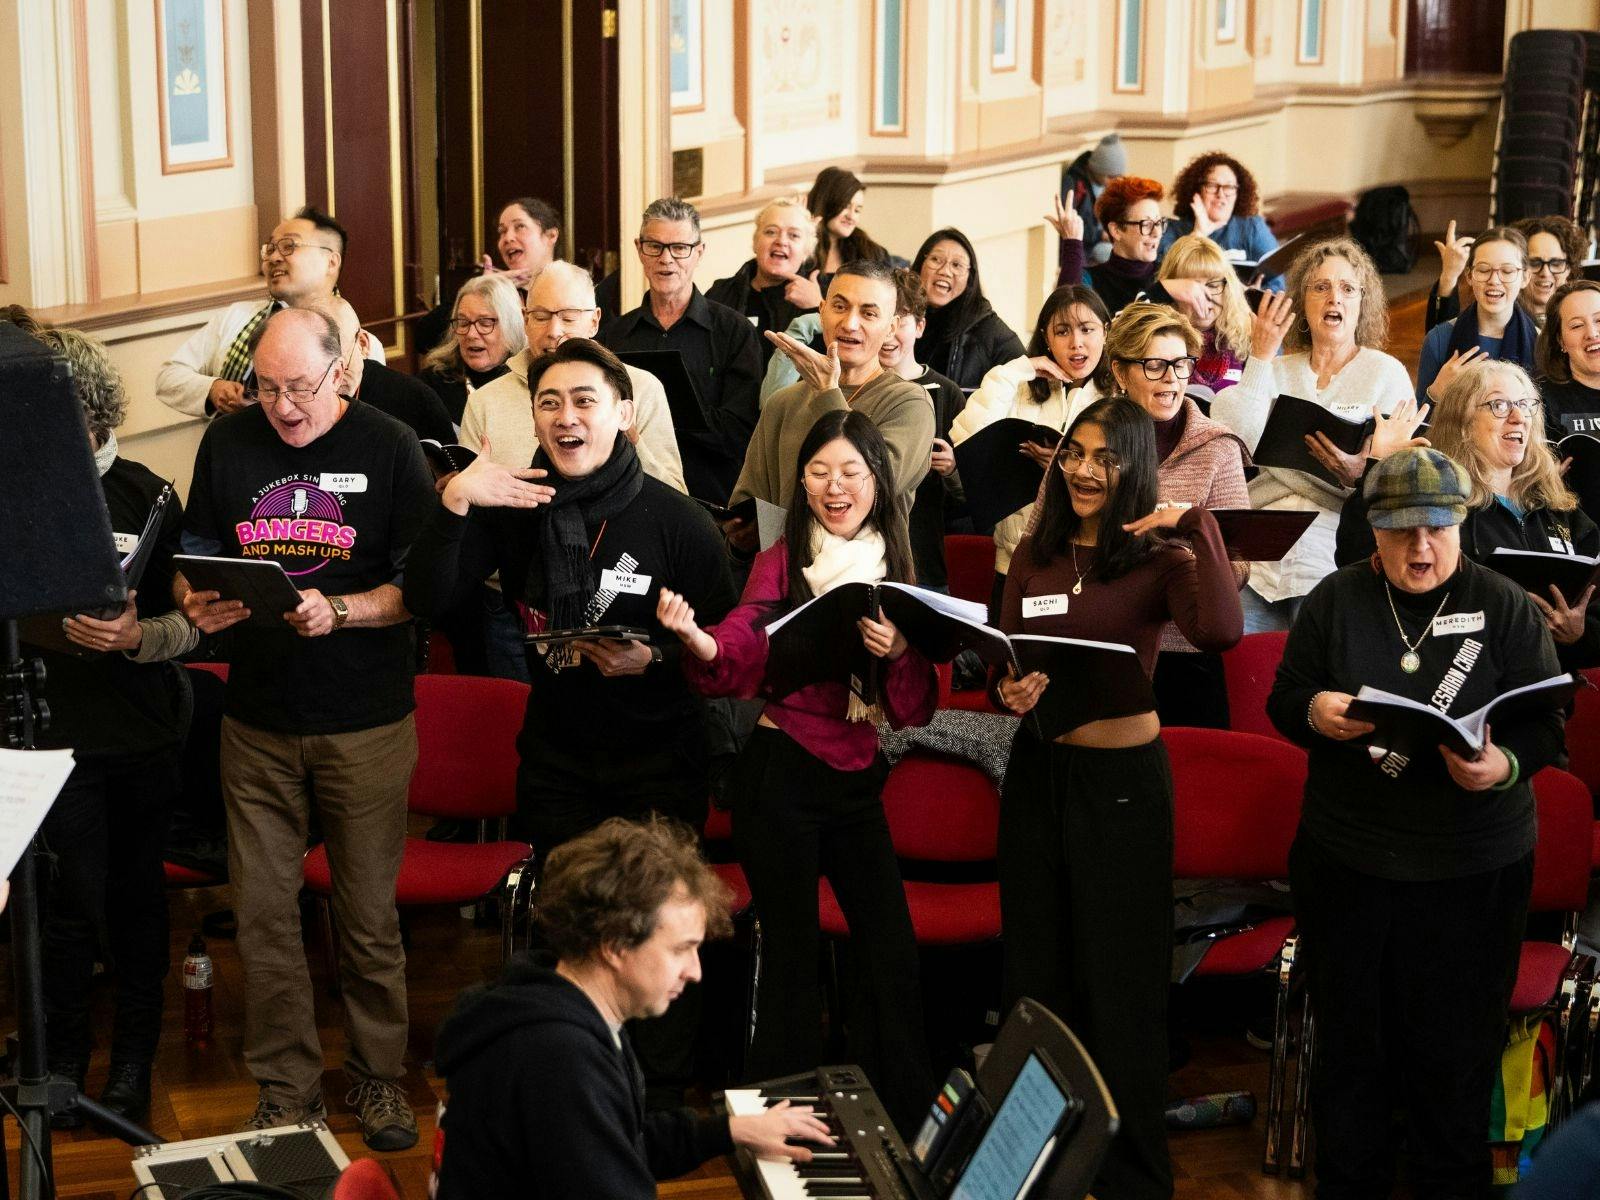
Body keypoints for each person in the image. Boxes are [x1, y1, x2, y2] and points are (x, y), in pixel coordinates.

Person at [1267, 446, 1566, 1200]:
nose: (1421, 548)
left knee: (1455, 1056)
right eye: (1402, 533)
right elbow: (1286, 696)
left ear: (1461, 525)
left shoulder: (1500, 603)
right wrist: (1313, 712)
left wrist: (1505, 767)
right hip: (1350, 858)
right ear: (1375, 530)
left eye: (1437, 530)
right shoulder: (1336, 599)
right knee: (1352, 1050)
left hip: (1474, 868)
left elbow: (1545, 725)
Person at [175, 307, 435, 1147]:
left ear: (344, 372)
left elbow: (421, 589)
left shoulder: (391, 446)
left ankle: (378, 1080)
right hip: (255, 718)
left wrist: (345, 611)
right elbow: (197, 546)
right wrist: (195, 596)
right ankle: (286, 1090)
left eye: (302, 388)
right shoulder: (229, 443)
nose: (284, 407)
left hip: (364, 719)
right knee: (261, 916)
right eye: (268, 388)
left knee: (365, 919)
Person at [659, 409, 938, 1135]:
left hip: (857, 779)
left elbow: (912, 708)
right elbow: (749, 630)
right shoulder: (785, 557)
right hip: (780, 773)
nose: (833, 487)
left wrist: (899, 648)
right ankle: (776, 1128)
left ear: (878, 478)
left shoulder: (897, 563)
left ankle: (899, 1120)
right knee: (790, 958)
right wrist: (704, 642)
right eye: (818, 472)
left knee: (891, 951)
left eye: (849, 471)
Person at [994, 396, 1242, 1200]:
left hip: (1123, 790)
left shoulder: (1158, 557)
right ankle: (1034, 1164)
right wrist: (1011, 687)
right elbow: (1007, 658)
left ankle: (1134, 1178)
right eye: (1075, 453)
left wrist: (1197, 528)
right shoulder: (1035, 550)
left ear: (1134, 465)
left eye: (1104, 457)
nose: (1084, 470)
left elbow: (1222, 635)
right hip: (1037, 777)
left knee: (1121, 986)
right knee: (1039, 979)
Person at [405, 338, 735, 853]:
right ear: (534, 418)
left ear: (624, 414)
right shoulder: (514, 502)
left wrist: (653, 657)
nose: (566, 417)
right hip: (556, 764)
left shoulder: (680, 521)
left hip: (660, 765)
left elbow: (730, 650)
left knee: (646, 927)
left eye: (585, 401)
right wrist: (454, 502)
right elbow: (426, 600)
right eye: (549, 402)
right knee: (567, 923)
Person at [434, 817, 832, 1200]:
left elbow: (624, 1142)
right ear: (614, 945)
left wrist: (731, 1131)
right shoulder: (560, 1055)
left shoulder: (559, 1001)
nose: (695, 972)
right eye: (681, 949)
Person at [14, 321, 196, 1128]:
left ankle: (130, 1065)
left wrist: (135, 636)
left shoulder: (150, 492)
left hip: (134, 732)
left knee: (133, 905)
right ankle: (56, 1064)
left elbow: (194, 621)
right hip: (46, 733)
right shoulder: (16, 490)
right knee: (59, 906)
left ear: (87, 411)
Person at [1336, 362, 1598, 669]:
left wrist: (1579, 633)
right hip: (1458, 681)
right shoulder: (1438, 505)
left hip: (1543, 695)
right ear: (1463, 422)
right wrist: (1378, 466)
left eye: (1526, 405)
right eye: (1499, 405)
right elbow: (1358, 560)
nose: (1518, 417)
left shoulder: (1559, 509)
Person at [1211, 237, 1413, 631]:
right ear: (1303, 303)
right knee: (1239, 665)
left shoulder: (1385, 373)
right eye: (1320, 287)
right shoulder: (1276, 366)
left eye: (1347, 289)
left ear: (1362, 304)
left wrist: (1361, 473)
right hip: (1257, 552)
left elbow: (1398, 477)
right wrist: (1260, 356)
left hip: (1331, 549)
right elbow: (1238, 445)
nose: (1333, 298)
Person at [1102, 303, 1249, 728]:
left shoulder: (1218, 446)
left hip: (1187, 651)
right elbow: (1043, 536)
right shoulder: (1090, 438)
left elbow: (1240, 563)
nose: (1171, 378)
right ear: (1120, 372)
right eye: (1154, 365)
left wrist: (1187, 565)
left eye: (1182, 364)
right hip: (1105, 643)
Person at [727, 260, 934, 558]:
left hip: (865, 585)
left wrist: (828, 392)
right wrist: (739, 535)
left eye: (868, 313)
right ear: (821, 312)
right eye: (839, 307)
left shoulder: (908, 402)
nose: (850, 323)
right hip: (786, 584)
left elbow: (869, 485)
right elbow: (749, 500)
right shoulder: (783, 403)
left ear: (890, 328)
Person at [953, 284, 1112, 614]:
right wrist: (1014, 371)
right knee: (1010, 660)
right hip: (1014, 558)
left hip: (1088, 563)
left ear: (1106, 332)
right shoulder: (1020, 388)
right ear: (1046, 336)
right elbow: (968, 441)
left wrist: (1060, 465)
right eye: (1062, 331)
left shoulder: (1117, 399)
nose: (1076, 342)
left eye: (1087, 329)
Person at [600, 197, 764, 504]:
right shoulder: (615, 335)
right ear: (639, 249)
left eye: (679, 248)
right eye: (655, 246)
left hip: (711, 501)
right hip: (629, 497)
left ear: (699, 252)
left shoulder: (735, 331)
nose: (667, 259)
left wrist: (665, 414)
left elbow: (742, 432)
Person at [155, 207, 382, 417]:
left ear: (331, 262)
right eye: (270, 249)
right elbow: (168, 377)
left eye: (289, 246)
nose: (274, 258)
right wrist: (213, 389)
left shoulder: (357, 343)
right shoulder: (237, 317)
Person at [879, 268, 966, 591]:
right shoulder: (857, 387)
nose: (889, 335)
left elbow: (968, 495)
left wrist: (952, 469)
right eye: (883, 319)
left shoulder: (947, 392)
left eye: (900, 320)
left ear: (919, 326)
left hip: (923, 558)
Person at [414, 197, 561, 353]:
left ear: (551, 235)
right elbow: (423, 340)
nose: (508, 238)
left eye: (520, 227)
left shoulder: (577, 289)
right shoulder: (492, 286)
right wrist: (483, 291)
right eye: (502, 231)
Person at [1416, 226, 1535, 404]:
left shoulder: (1541, 343)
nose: (1494, 280)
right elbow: (1418, 425)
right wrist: (1436, 392)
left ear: (1525, 277)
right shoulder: (1438, 340)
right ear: (1469, 275)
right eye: (1483, 270)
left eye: (1507, 271)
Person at [707, 197, 823, 363]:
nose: (781, 241)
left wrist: (817, 308)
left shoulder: (824, 298)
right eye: (771, 232)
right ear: (755, 242)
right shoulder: (720, 293)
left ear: (807, 252)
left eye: (794, 235)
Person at [324, 298, 455, 444]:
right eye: (319, 369)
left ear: (362, 344)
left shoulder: (415, 399)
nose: (331, 380)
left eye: (339, 364)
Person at [1427, 214, 1587, 333]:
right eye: (1535, 263)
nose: (1546, 272)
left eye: (1556, 263)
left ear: (1569, 268)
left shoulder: (1583, 317)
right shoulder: (1495, 313)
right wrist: (1449, 276)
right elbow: (1442, 338)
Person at [910, 228, 1025, 389]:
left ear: (970, 277)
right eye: (936, 259)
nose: (945, 271)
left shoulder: (988, 328)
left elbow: (1025, 377)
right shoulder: (900, 316)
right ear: (920, 265)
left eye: (957, 265)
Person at [1158, 151, 1283, 290]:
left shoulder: (1251, 227)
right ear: (1196, 190)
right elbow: (1165, 281)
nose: (1221, 194)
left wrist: (1253, 294)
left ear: (1238, 193)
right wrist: (1199, 233)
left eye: (1229, 187)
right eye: (1212, 186)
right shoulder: (1171, 230)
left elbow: (1278, 286)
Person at [417, 273, 527, 426]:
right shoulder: (431, 384)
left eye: (485, 323)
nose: (471, 334)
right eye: (463, 322)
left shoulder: (529, 384)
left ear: (512, 327)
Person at [1154, 234, 1251, 392]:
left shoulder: (1244, 337)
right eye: (1192, 287)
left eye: (1213, 285)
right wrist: (1161, 289)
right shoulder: (1157, 339)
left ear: (1228, 288)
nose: (1204, 296)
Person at [1084, 176, 1171, 316]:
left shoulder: (1170, 274)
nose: (1157, 233)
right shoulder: (1091, 282)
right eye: (1146, 224)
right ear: (1116, 230)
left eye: (1159, 222)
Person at [1535, 279, 1600, 445]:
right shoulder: (1540, 400)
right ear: (1561, 341)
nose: (1592, 334)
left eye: (1599, 320)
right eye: (1577, 325)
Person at [807, 166, 893, 275]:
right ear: (825, 202)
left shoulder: (874, 254)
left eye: (857, 210)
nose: (851, 217)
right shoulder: (798, 248)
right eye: (846, 206)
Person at [1060, 133, 1128, 266]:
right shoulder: (1075, 185)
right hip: (1087, 247)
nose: (1113, 182)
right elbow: (1070, 224)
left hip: (1098, 241)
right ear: (1098, 170)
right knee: (1120, 256)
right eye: (1111, 177)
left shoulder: (1103, 185)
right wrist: (1100, 235)